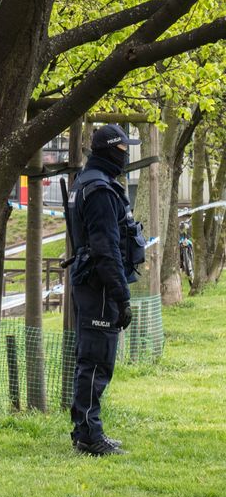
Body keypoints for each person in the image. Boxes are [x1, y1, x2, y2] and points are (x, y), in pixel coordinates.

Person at [66, 124, 144, 456]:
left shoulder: (87, 183)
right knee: (97, 361)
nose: (126, 157)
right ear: (112, 150)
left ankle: (86, 429)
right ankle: (89, 437)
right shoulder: (98, 190)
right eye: (124, 150)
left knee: (93, 359)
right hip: (99, 285)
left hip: (93, 282)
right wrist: (121, 296)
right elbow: (106, 249)